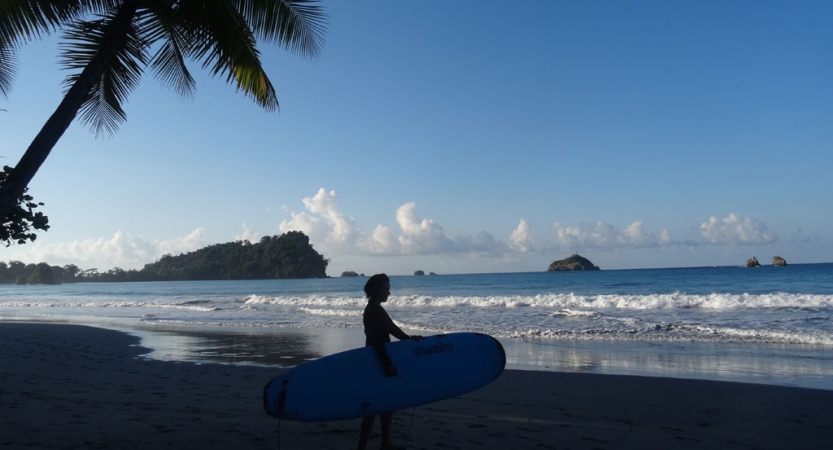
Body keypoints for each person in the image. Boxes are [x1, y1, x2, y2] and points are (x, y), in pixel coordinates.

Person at [357, 273, 422, 450]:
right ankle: (365, 446)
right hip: (376, 360)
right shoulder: (374, 311)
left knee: (386, 403)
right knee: (374, 406)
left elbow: (392, 329)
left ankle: (384, 442)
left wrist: (409, 340)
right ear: (377, 290)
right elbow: (378, 342)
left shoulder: (375, 308)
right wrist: (387, 364)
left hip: (377, 357)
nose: (389, 293)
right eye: (386, 288)